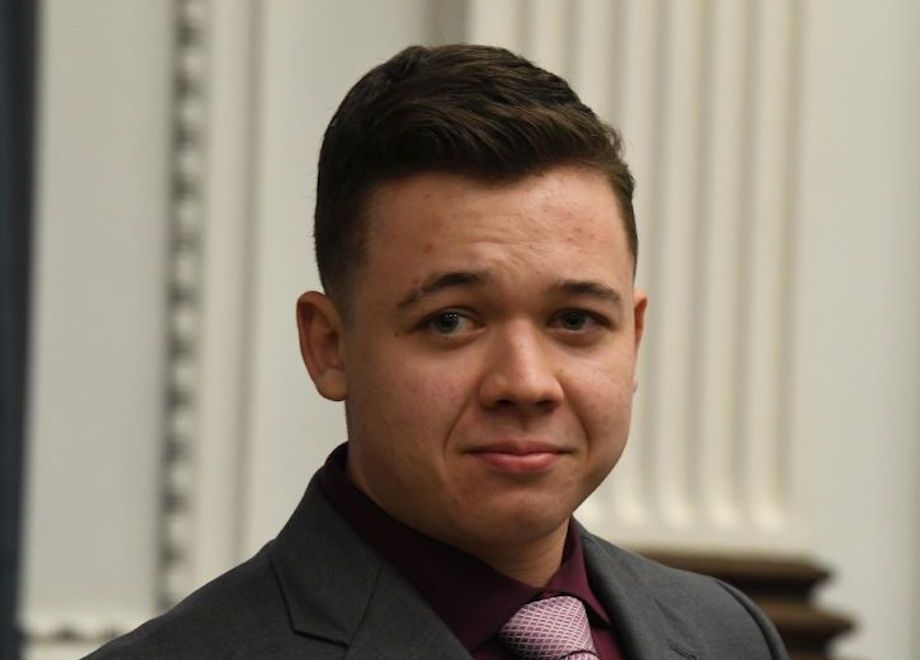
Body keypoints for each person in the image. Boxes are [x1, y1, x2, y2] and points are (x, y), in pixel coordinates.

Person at [89, 44, 787, 659]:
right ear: (329, 347)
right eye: (451, 321)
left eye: (574, 319)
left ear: (633, 338)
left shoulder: (727, 633)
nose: (526, 383)